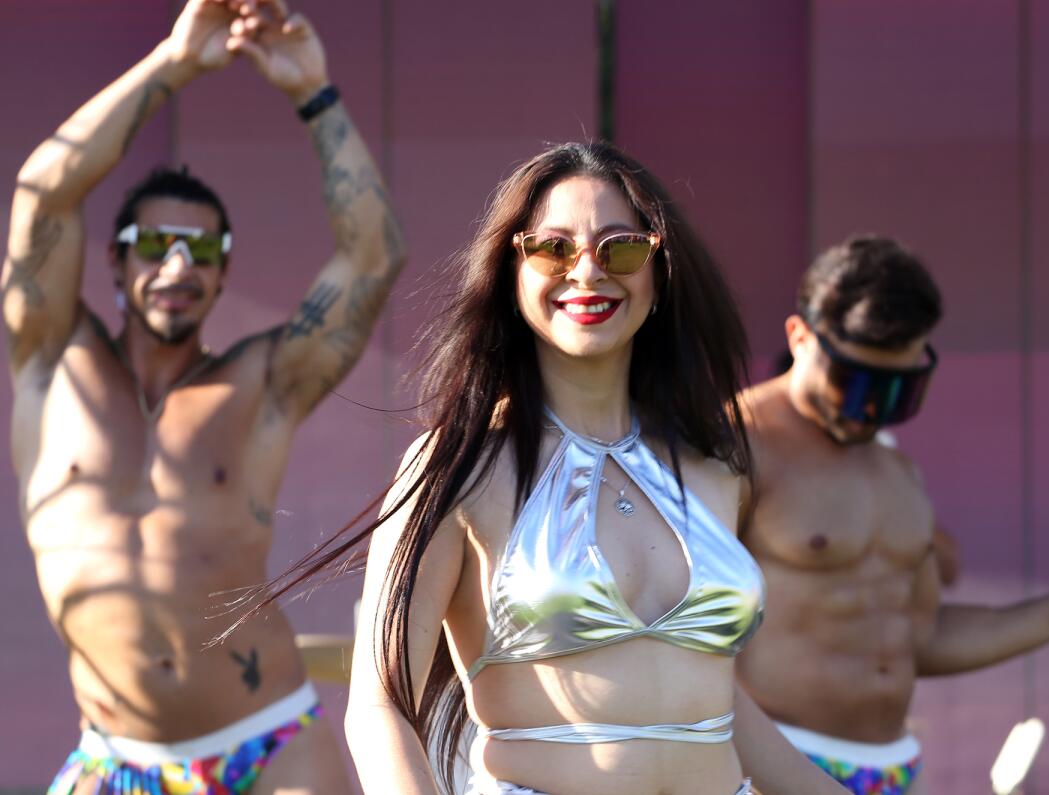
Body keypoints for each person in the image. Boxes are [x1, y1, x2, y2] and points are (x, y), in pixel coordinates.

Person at [262, 141, 845, 794]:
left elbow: (709, 703)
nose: (588, 272)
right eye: (553, 248)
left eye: (620, 247)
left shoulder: (713, 466)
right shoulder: (459, 465)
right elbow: (380, 706)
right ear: (512, 271)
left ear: (659, 273)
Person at [3, 1, 404, 792]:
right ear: (114, 267)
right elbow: (43, 191)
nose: (178, 265)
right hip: (113, 756)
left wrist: (313, 92)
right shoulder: (50, 358)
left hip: (271, 741)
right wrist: (174, 63)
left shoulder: (261, 381)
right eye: (154, 245)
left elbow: (373, 259)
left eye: (203, 250)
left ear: (224, 272)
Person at [737, 236, 1049, 795]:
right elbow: (677, 643)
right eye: (855, 381)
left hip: (895, 771)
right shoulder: (732, 446)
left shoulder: (896, 469)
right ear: (800, 337)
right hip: (774, 770)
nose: (870, 408)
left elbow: (921, 637)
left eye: (897, 389)